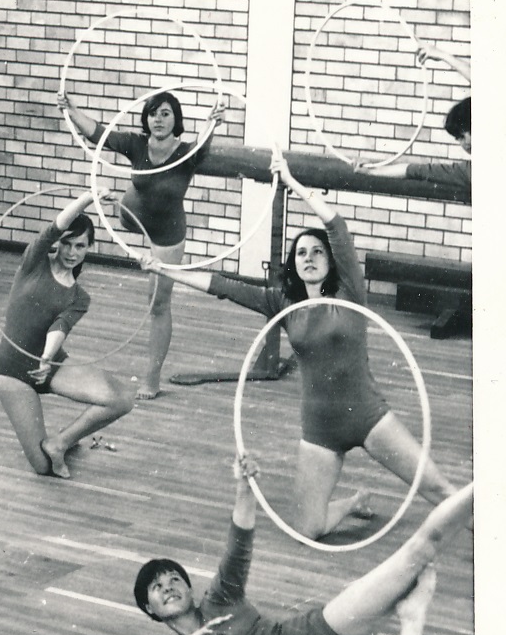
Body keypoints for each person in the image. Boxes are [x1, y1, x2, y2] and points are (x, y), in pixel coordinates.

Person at [142, 153, 458, 539]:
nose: (309, 258)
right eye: (301, 253)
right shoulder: (283, 303)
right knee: (308, 529)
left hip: (369, 417)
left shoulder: (349, 292)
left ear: (331, 260)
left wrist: (291, 182)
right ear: (294, 264)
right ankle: (353, 502)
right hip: (320, 430)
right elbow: (223, 287)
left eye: (317, 251)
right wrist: (163, 269)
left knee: (439, 490)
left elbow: (336, 225)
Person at [135, 454, 472, 635]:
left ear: (189, 589)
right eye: (157, 586)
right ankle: (414, 618)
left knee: (418, 550)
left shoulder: (218, 599)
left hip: (320, 634)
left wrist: (244, 489)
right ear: (149, 608)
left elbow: (238, 545)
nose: (168, 586)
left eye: (174, 578)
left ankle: (488, 481)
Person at [57, 88, 226, 399]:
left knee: (157, 303)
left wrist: (212, 121)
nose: (158, 119)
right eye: (152, 113)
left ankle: (152, 377)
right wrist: (71, 109)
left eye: (165, 114)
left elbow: (204, 140)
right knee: (131, 194)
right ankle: (122, 204)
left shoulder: (186, 153)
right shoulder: (136, 144)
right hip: (132, 216)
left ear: (176, 120)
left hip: (165, 233)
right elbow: (99, 134)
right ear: (145, 119)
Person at [0, 188, 134, 479]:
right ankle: (53, 450)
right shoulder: (34, 262)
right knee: (43, 467)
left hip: (51, 365)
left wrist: (46, 358)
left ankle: (61, 442)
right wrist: (89, 198)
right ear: (57, 243)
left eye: (80, 246)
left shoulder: (79, 297)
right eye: (67, 244)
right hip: (13, 370)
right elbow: (56, 225)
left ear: (89, 247)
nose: (72, 253)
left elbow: (59, 327)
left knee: (121, 399)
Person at [369, 44, 471, 195]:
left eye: (462, 136)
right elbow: (415, 170)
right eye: (458, 139)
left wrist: (443, 55)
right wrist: (370, 171)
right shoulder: (468, 171)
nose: (464, 144)